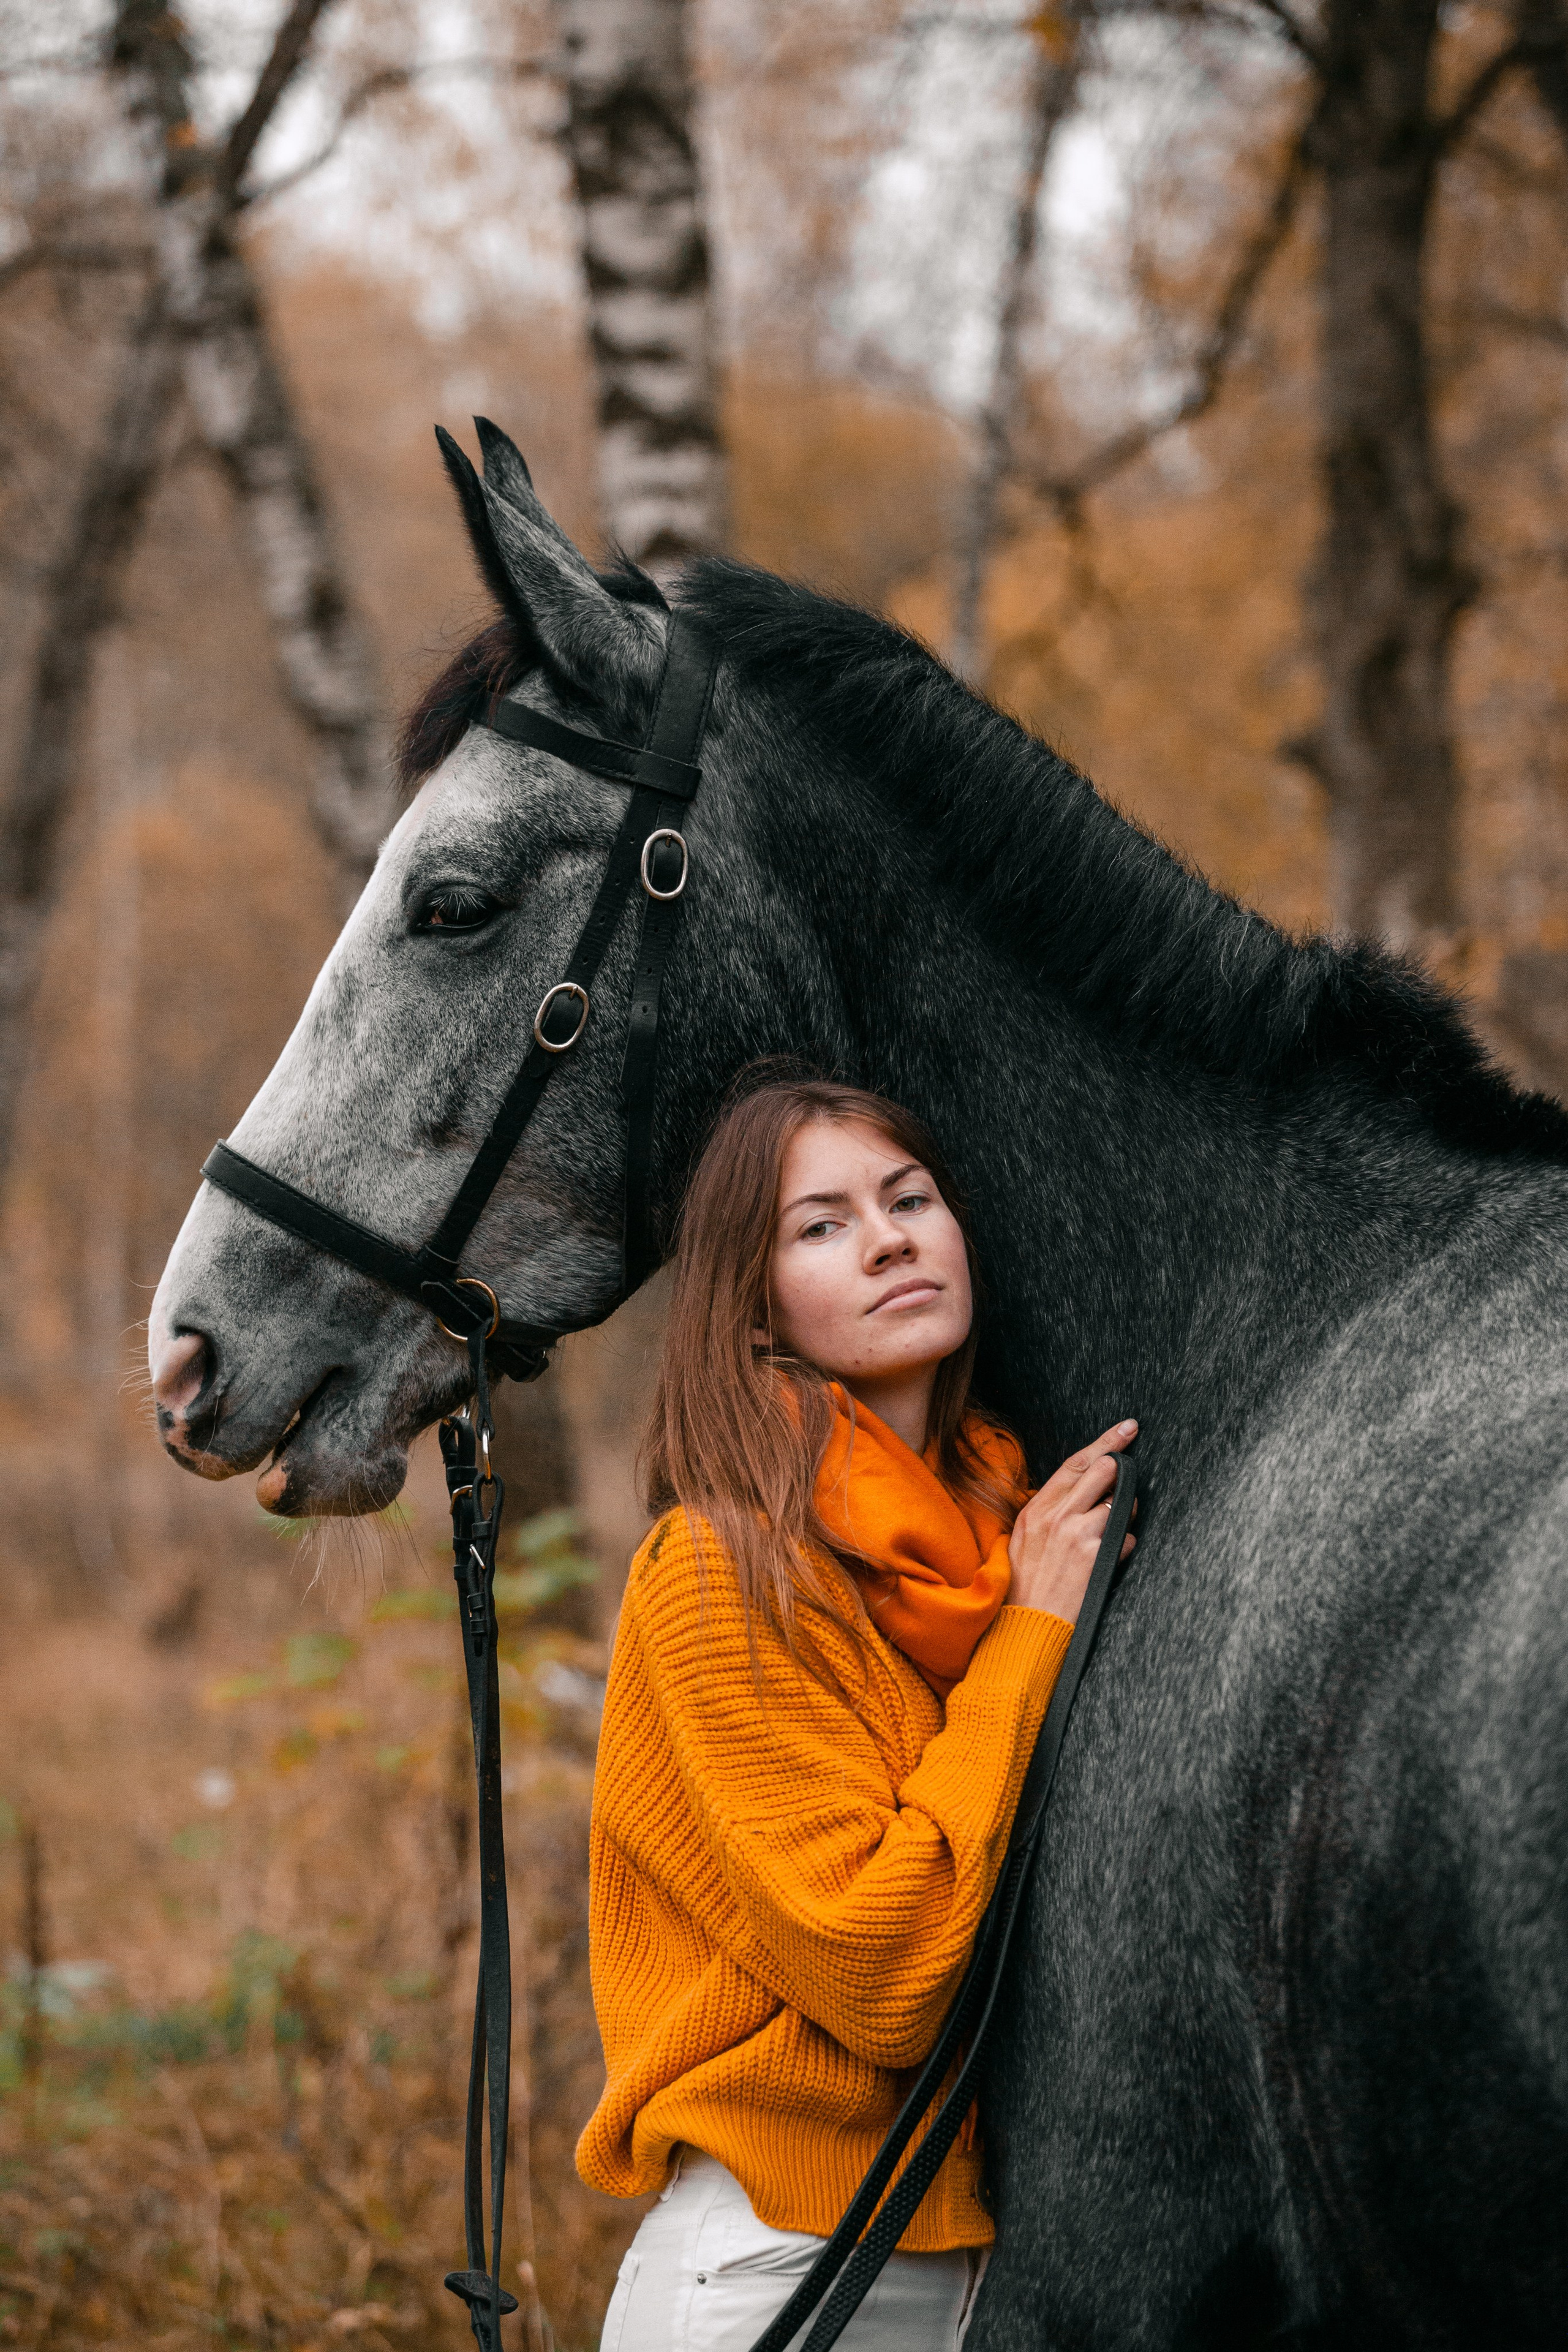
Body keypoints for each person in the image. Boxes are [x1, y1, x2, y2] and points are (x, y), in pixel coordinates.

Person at [577, 1075, 1137, 2352]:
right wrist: (1029, 1637)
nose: (887, 1240)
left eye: (908, 1199)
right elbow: (881, 1972)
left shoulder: (1005, 1534)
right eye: (820, 1226)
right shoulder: (719, 1569)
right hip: (770, 2268)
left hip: (967, 2260)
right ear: (752, 1301)